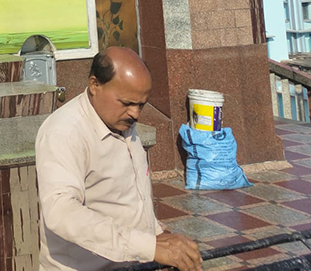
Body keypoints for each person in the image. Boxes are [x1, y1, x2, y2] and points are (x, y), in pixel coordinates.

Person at [35, 47, 202, 271]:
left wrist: (158, 236)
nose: (135, 114)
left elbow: (129, 197)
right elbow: (61, 212)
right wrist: (149, 247)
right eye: (126, 103)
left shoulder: (120, 121)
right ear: (95, 85)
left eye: (141, 105)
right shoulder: (64, 132)